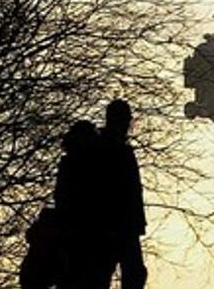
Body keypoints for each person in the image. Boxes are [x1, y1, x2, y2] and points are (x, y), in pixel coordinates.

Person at [96, 99, 147, 289]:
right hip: (118, 225)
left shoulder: (105, 148)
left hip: (117, 225)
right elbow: (128, 191)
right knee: (130, 272)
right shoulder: (115, 151)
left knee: (109, 272)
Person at [53, 120, 102, 289]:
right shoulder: (90, 165)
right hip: (81, 232)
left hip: (75, 231)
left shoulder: (69, 164)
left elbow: (60, 197)